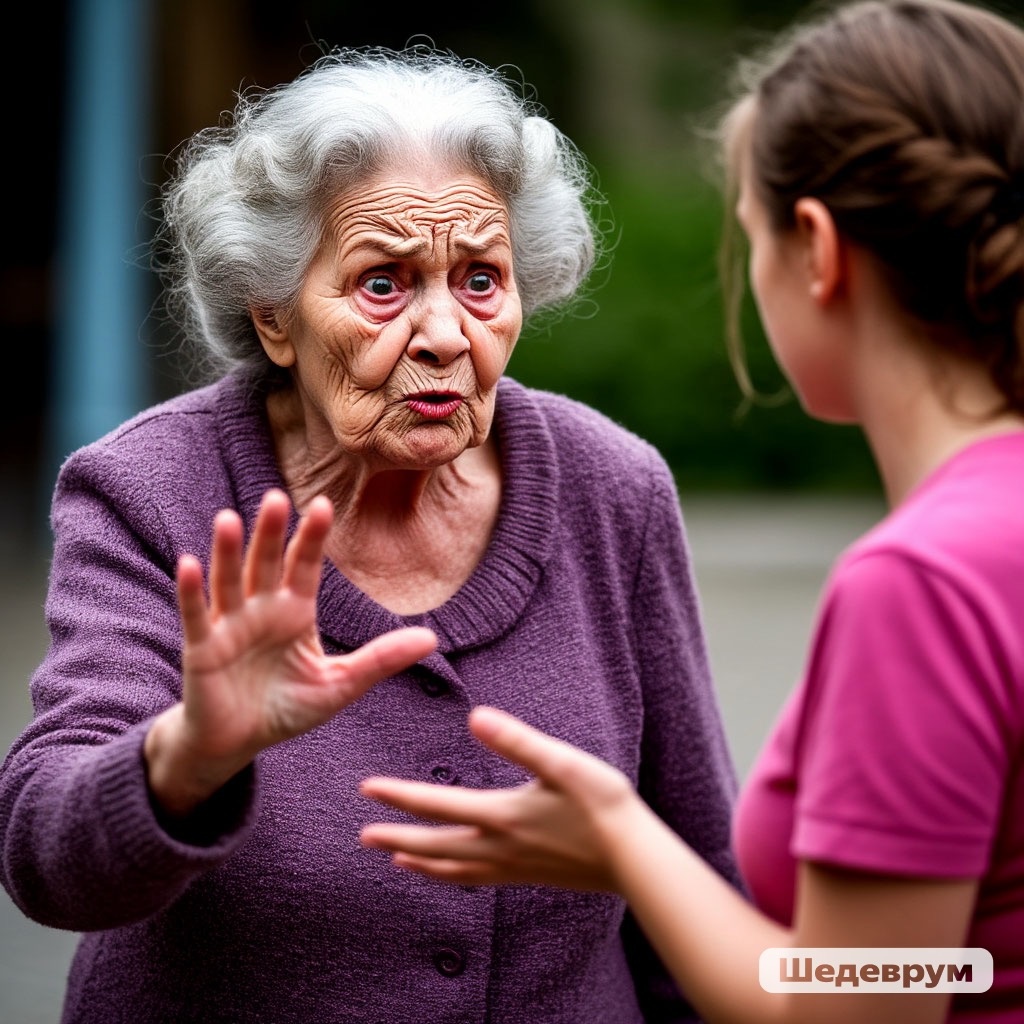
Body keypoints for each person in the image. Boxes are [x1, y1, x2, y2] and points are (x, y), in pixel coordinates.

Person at [0, 44, 742, 1024]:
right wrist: (188, 753)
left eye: (481, 280)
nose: (444, 333)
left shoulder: (612, 489)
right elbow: (47, 863)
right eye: (383, 284)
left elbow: (697, 875)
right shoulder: (151, 492)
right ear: (274, 317)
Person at [358, 2, 1024, 1022]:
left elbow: (868, 1002)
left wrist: (621, 843)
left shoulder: (921, 584)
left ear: (816, 250)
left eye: (748, 236)